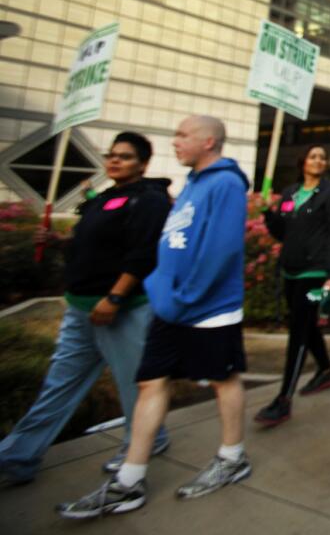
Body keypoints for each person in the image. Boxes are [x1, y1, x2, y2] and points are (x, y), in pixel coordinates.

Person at [58, 116, 252, 518]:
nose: (175, 141)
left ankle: (232, 458)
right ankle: (129, 481)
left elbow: (222, 250)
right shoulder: (193, 183)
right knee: (150, 382)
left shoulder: (226, 183)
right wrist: (164, 290)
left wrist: (185, 297)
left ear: (209, 141)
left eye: (183, 135)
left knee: (223, 378)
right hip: (171, 306)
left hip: (209, 310)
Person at [0, 133, 171, 486]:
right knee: (59, 385)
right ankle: (17, 457)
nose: (115, 161)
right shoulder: (104, 197)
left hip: (122, 310)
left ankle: (147, 440)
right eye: (111, 155)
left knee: (134, 385)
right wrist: (58, 242)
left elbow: (143, 255)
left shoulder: (150, 201)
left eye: (124, 156)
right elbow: (88, 244)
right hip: (79, 309)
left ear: (143, 163)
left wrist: (115, 298)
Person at [253, 145, 330, 427]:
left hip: (315, 272)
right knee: (306, 324)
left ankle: (283, 399)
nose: (318, 160)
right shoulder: (290, 193)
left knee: (298, 331)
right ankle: (326, 370)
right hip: (291, 271)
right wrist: (270, 216)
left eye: (322, 157)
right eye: (313, 156)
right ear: (302, 161)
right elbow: (282, 232)